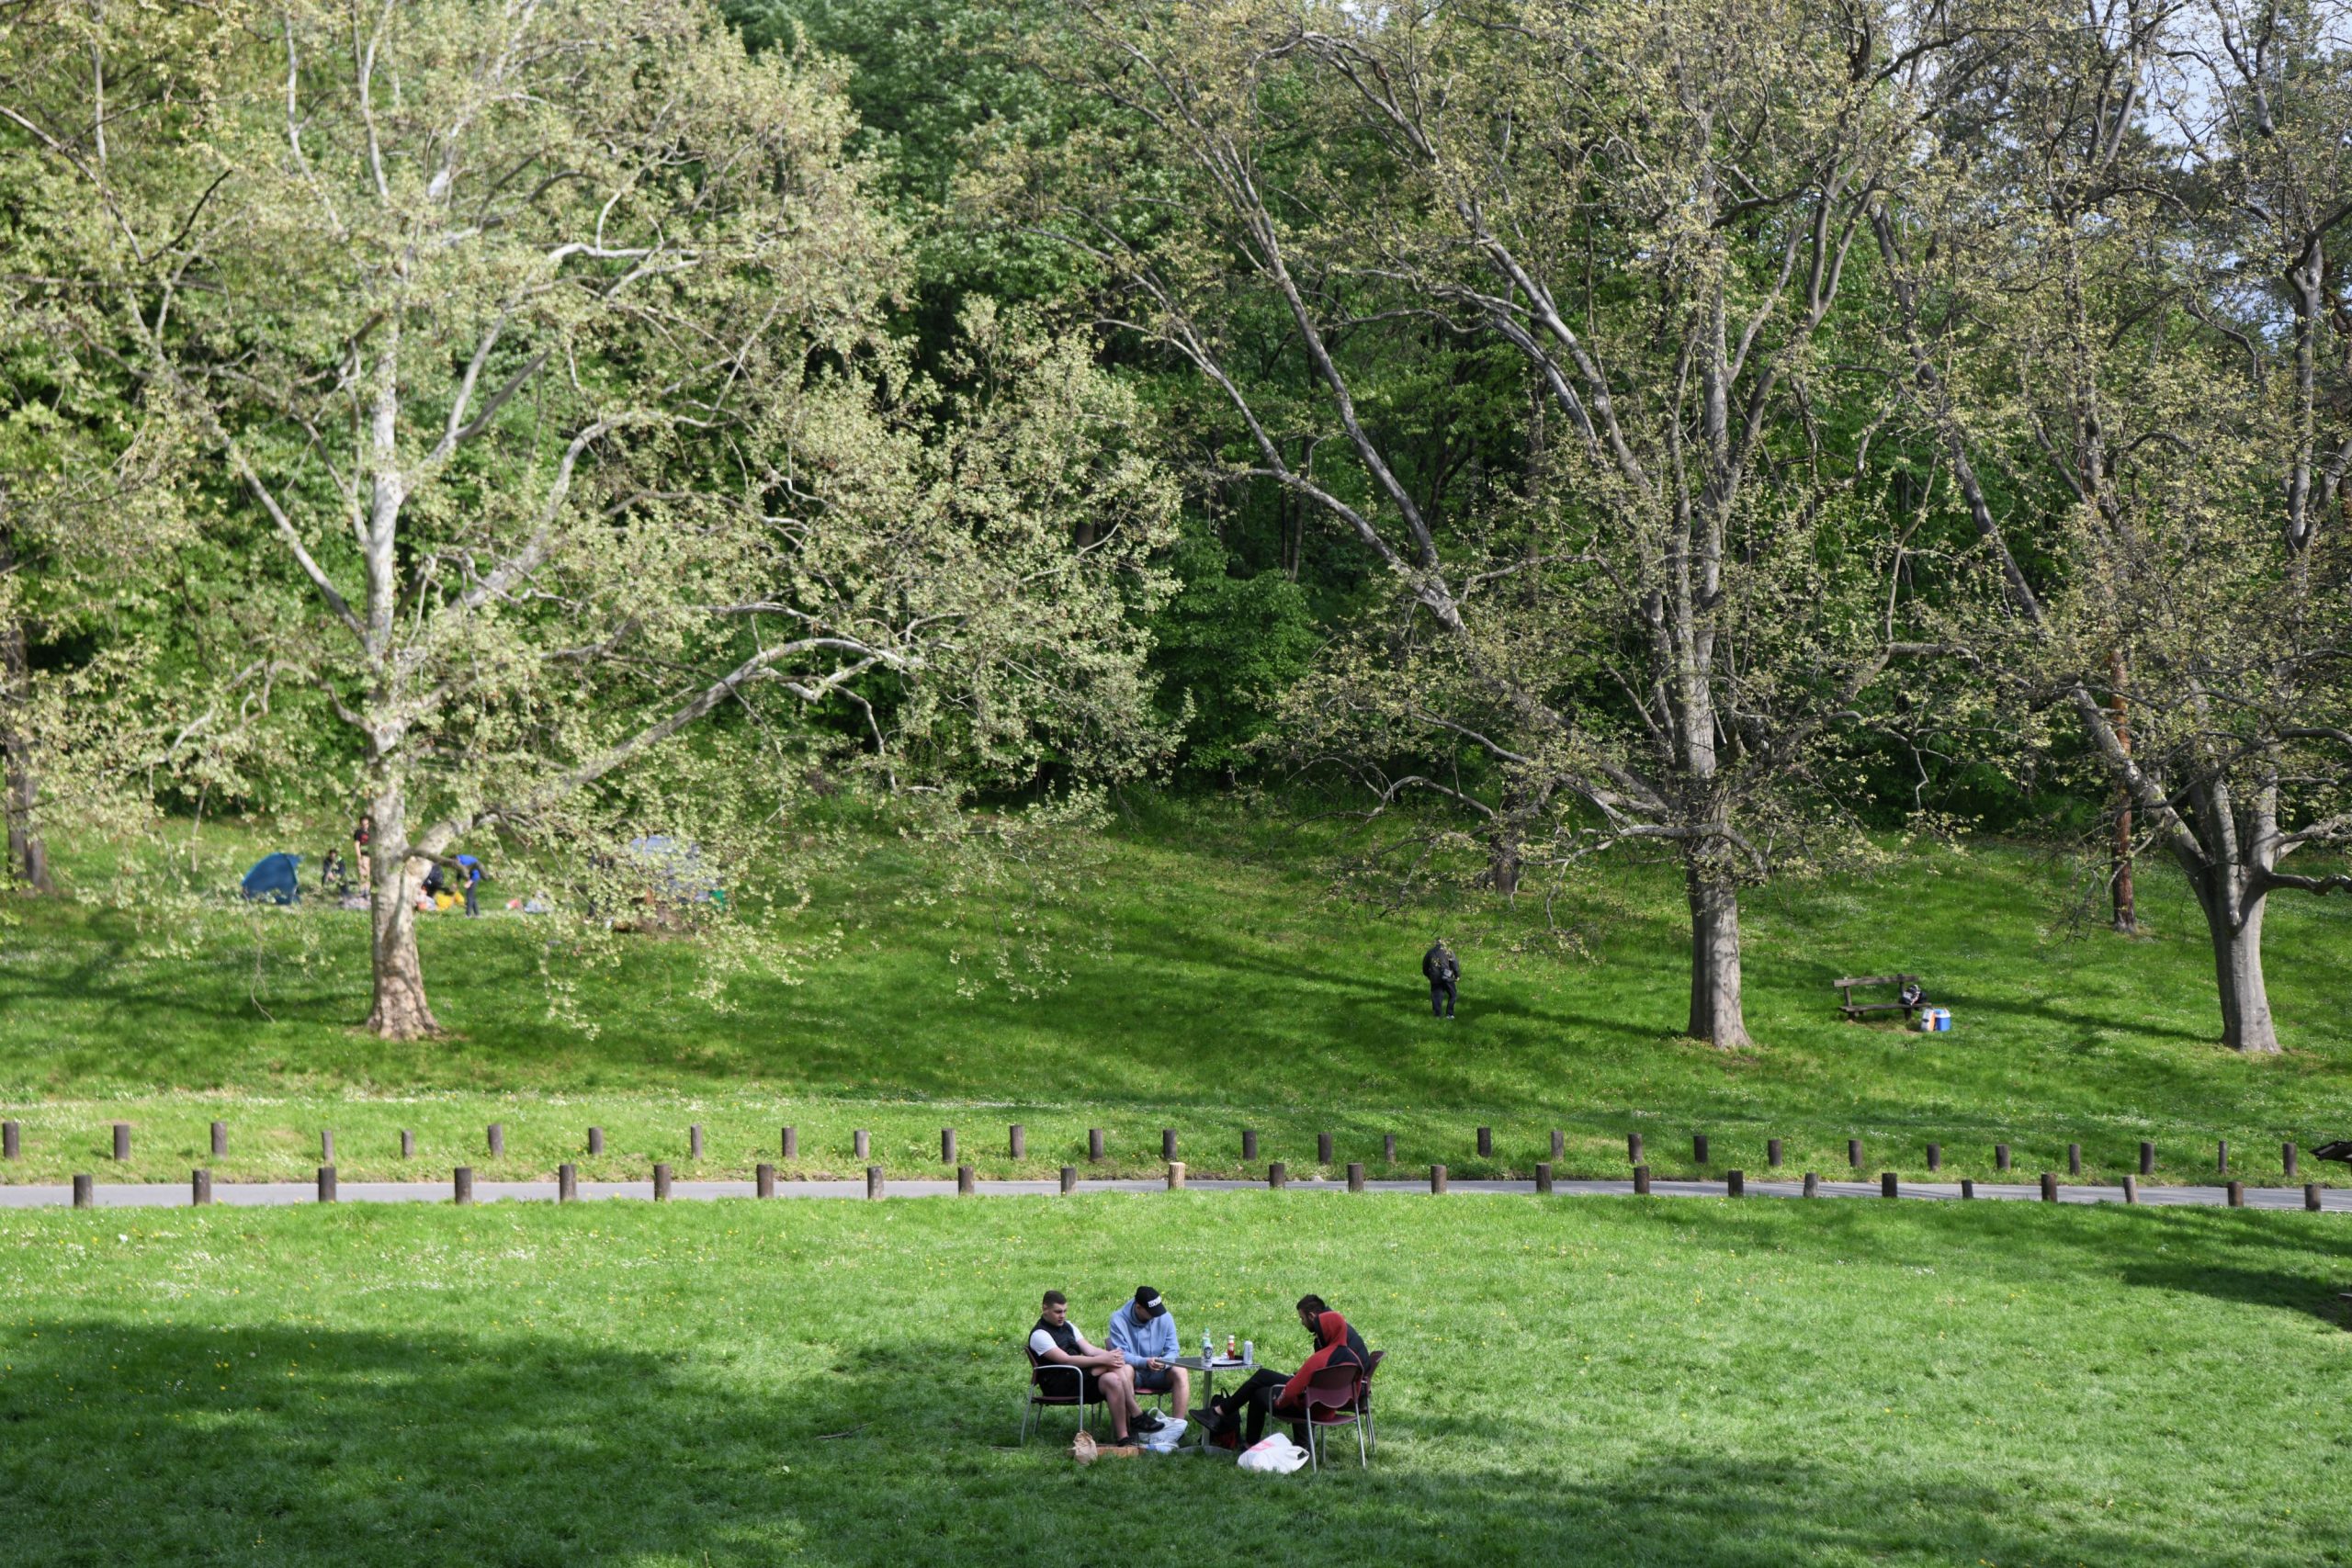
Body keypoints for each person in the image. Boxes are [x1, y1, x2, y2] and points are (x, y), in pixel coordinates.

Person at [1206, 1294, 1370, 1450]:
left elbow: (1293, 1391)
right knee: (1265, 1379)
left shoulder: (1321, 1356)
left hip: (1311, 1406)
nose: (1302, 1323)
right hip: (1335, 1403)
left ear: (1318, 1322)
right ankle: (1301, 1444)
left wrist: (1280, 1401)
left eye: (1302, 1318)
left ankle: (1248, 1440)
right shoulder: (1353, 1358)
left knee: (1259, 1390)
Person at [1027, 1290, 1160, 1444]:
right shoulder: (1039, 1335)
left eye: (1065, 1311)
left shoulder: (1068, 1326)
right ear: (1045, 1309)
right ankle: (1136, 1415)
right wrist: (1105, 1359)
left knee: (1112, 1378)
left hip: (1078, 1378)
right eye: (1058, 1312)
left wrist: (1111, 1356)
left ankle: (1124, 1436)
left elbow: (1089, 1350)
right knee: (1111, 1365)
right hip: (1058, 1383)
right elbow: (1066, 1360)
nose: (1062, 1315)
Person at [1105, 1285, 1190, 1419]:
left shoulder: (1165, 1317)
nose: (1156, 1315)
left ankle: (1178, 1427)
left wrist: (1164, 1362)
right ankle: (1131, 1428)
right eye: (1152, 1312)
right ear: (1138, 1307)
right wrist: (1145, 1362)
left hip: (1159, 1371)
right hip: (1134, 1372)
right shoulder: (1118, 1320)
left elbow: (1173, 1350)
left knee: (1181, 1371)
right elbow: (1121, 1355)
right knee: (1125, 1370)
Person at [1422, 938, 1460, 1019]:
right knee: (1453, 995)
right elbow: (1454, 963)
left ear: (1436, 943)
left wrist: (1429, 976)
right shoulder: (1448, 951)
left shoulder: (1430, 952)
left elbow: (1425, 966)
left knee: (1437, 996)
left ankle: (1437, 1015)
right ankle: (1449, 1014)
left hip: (1435, 977)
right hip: (1447, 976)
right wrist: (1457, 975)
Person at [456, 853, 484, 918]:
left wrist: (470, 882)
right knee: (472, 896)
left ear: (457, 860)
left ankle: (468, 915)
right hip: (471, 874)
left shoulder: (466, 862)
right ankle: (477, 915)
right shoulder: (458, 861)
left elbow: (476, 873)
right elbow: (459, 871)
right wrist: (457, 882)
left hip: (476, 875)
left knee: (469, 896)